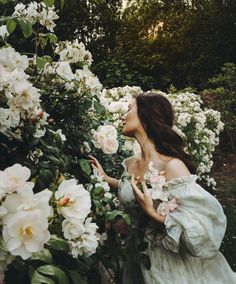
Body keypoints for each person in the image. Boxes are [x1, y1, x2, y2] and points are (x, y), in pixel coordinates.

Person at [89, 92, 236, 284]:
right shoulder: (132, 164)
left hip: (167, 264)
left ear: (145, 115)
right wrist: (108, 179)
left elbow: (202, 224)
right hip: (137, 258)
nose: (123, 115)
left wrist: (154, 214)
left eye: (129, 109)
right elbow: (138, 189)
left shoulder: (171, 166)